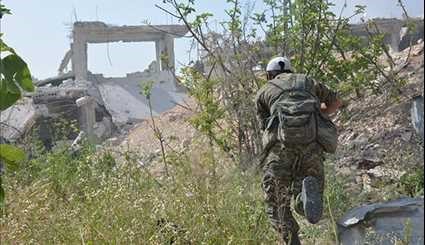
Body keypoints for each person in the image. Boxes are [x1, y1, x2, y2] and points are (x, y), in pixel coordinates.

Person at [255, 57, 342, 244]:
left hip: (280, 151)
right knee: (311, 193)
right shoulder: (307, 81)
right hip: (312, 148)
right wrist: (318, 113)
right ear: (290, 71)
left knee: (276, 203)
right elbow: (335, 102)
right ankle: (303, 200)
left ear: (270, 75)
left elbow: (264, 126)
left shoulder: (264, 91)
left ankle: (291, 239)